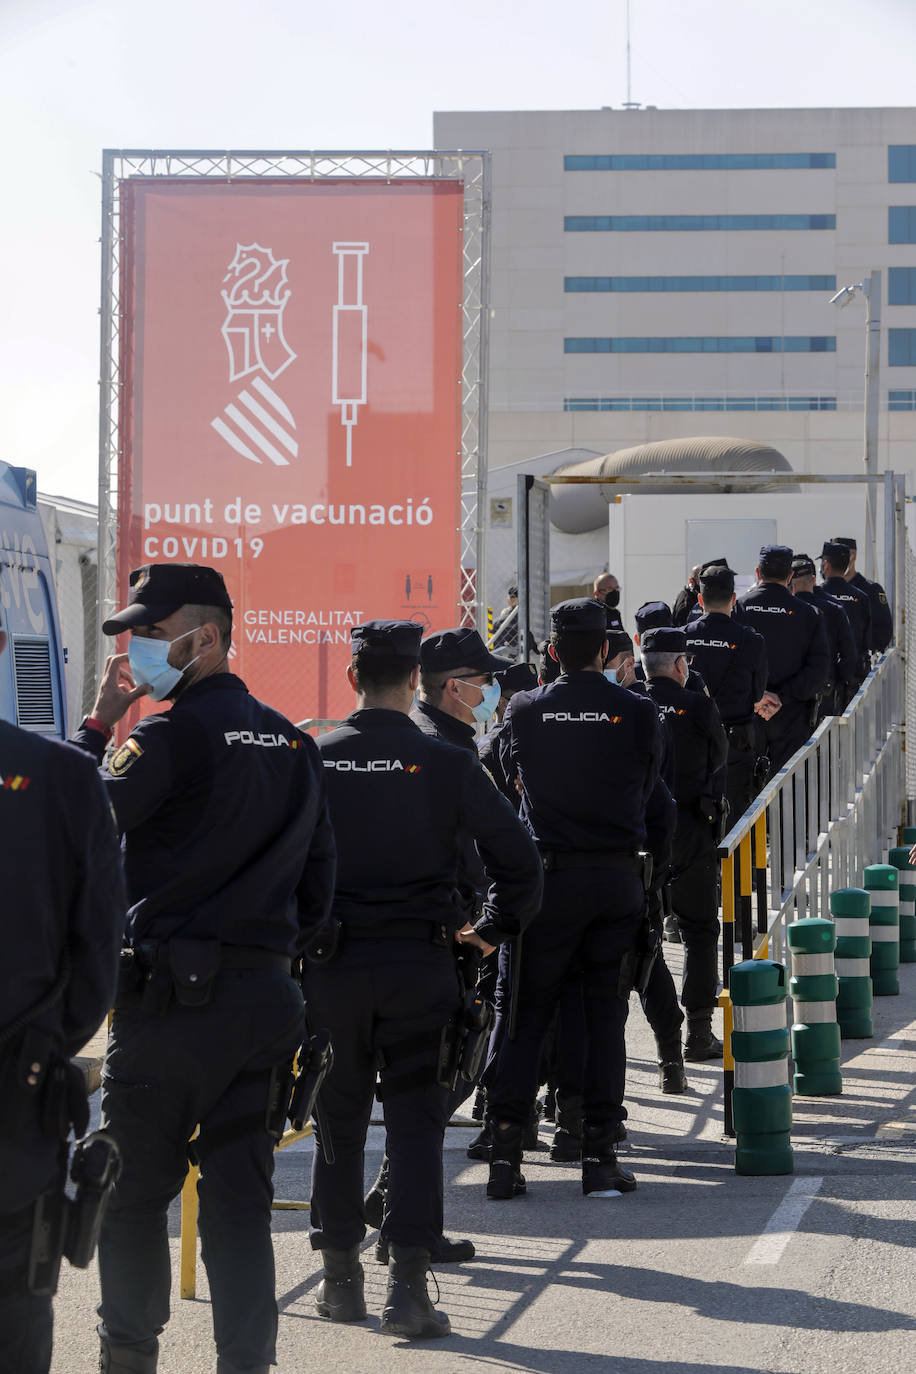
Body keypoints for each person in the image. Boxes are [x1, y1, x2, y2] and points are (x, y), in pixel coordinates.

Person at [71, 562, 336, 1374]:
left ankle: (128, 1359)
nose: (138, 652)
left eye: (151, 634)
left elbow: (72, 821)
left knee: (131, 1199)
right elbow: (321, 892)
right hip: (263, 1003)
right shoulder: (294, 744)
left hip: (168, 1010)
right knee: (239, 1211)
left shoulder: (166, 735)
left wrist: (95, 727)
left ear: (207, 636)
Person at [306, 621, 542, 1339]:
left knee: (337, 1122)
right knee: (412, 1126)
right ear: (416, 682)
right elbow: (519, 864)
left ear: (351, 679)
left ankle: (340, 1281)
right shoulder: (444, 763)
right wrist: (491, 929)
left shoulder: (311, 760)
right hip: (420, 967)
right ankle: (407, 1289)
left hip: (333, 972)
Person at [485, 598, 669, 1200]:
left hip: (547, 880)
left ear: (555, 652)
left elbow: (513, 781)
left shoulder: (525, 709)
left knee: (523, 1017)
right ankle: (598, 1157)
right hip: (614, 879)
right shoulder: (637, 712)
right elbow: (647, 790)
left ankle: (506, 1158)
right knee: (601, 1019)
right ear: (604, 651)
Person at [0, 627, 124, 1374]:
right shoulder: (60, 779)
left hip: (23, 1080)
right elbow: (96, 955)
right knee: (15, 1307)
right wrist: (43, 1045)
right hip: (20, 1092)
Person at [643, 627, 729, 1061]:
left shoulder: (632, 704)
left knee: (643, 931)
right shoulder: (698, 705)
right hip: (692, 827)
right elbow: (718, 760)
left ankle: (661, 1042)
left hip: (641, 835)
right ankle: (698, 1030)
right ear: (680, 664)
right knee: (699, 929)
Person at [685, 564, 768, 824]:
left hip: (693, 740)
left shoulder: (682, 638)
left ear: (700, 599)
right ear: (733, 599)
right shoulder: (751, 640)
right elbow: (757, 694)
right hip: (736, 742)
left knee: (693, 812)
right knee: (737, 816)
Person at [736, 545, 830, 775]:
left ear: (758, 573)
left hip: (746, 716)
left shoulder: (739, 608)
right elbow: (819, 668)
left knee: (746, 793)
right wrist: (782, 696)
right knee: (789, 792)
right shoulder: (808, 614)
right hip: (792, 716)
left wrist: (757, 696)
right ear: (790, 576)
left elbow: (731, 662)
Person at [790, 554, 856, 716]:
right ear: (813, 580)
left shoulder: (785, 611)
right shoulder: (834, 609)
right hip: (825, 690)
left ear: (789, 582)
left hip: (789, 692)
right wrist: (836, 680)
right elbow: (849, 655)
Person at [819, 541, 872, 690]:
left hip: (823, 677)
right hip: (853, 678)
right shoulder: (861, 598)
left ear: (826, 565)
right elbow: (867, 640)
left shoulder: (816, 596)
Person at [833, 535, 893, 653]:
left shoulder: (870, 589)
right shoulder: (827, 589)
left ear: (853, 556)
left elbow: (884, 629)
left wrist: (865, 651)